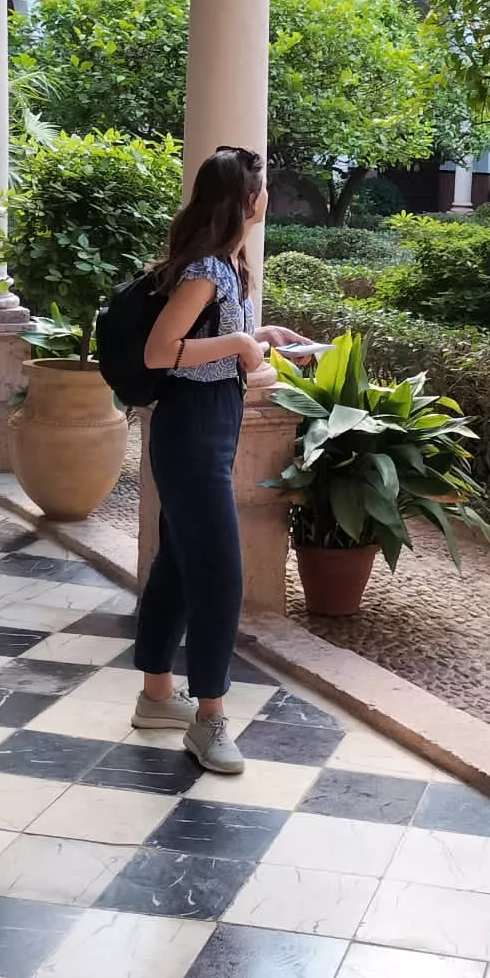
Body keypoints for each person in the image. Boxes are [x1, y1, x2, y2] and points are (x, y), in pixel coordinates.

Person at [135, 147, 309, 775]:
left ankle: (158, 698)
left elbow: (198, 345)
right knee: (220, 575)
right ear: (245, 201)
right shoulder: (207, 268)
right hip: (191, 432)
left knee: (180, 565)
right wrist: (239, 342)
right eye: (262, 189)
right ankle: (209, 719)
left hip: (206, 427)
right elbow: (161, 352)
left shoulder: (223, 265)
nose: (268, 198)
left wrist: (258, 337)